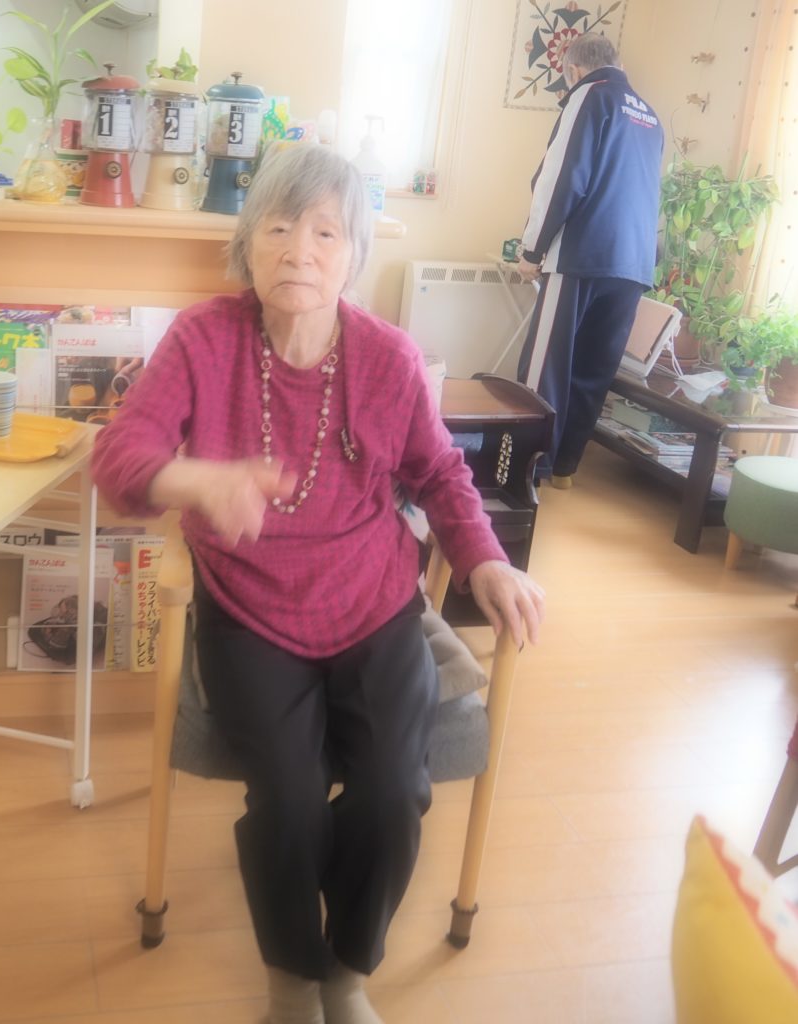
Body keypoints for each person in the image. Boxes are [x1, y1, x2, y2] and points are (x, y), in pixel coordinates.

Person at [91, 143, 545, 1024]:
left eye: (326, 232)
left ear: (354, 255)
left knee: (392, 789)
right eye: (279, 227)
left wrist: (485, 558)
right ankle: (292, 981)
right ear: (247, 245)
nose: (300, 250)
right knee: (290, 799)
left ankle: (348, 973)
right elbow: (120, 459)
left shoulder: (389, 358)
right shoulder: (203, 339)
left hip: (374, 604)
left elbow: (440, 473)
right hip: (247, 607)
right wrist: (196, 480)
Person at [516, 32, 664, 488]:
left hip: (581, 254)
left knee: (545, 368)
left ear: (574, 70)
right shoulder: (650, 115)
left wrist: (531, 250)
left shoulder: (589, 95)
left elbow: (561, 178)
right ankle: (564, 469)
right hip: (633, 263)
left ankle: (527, 471)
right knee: (592, 370)